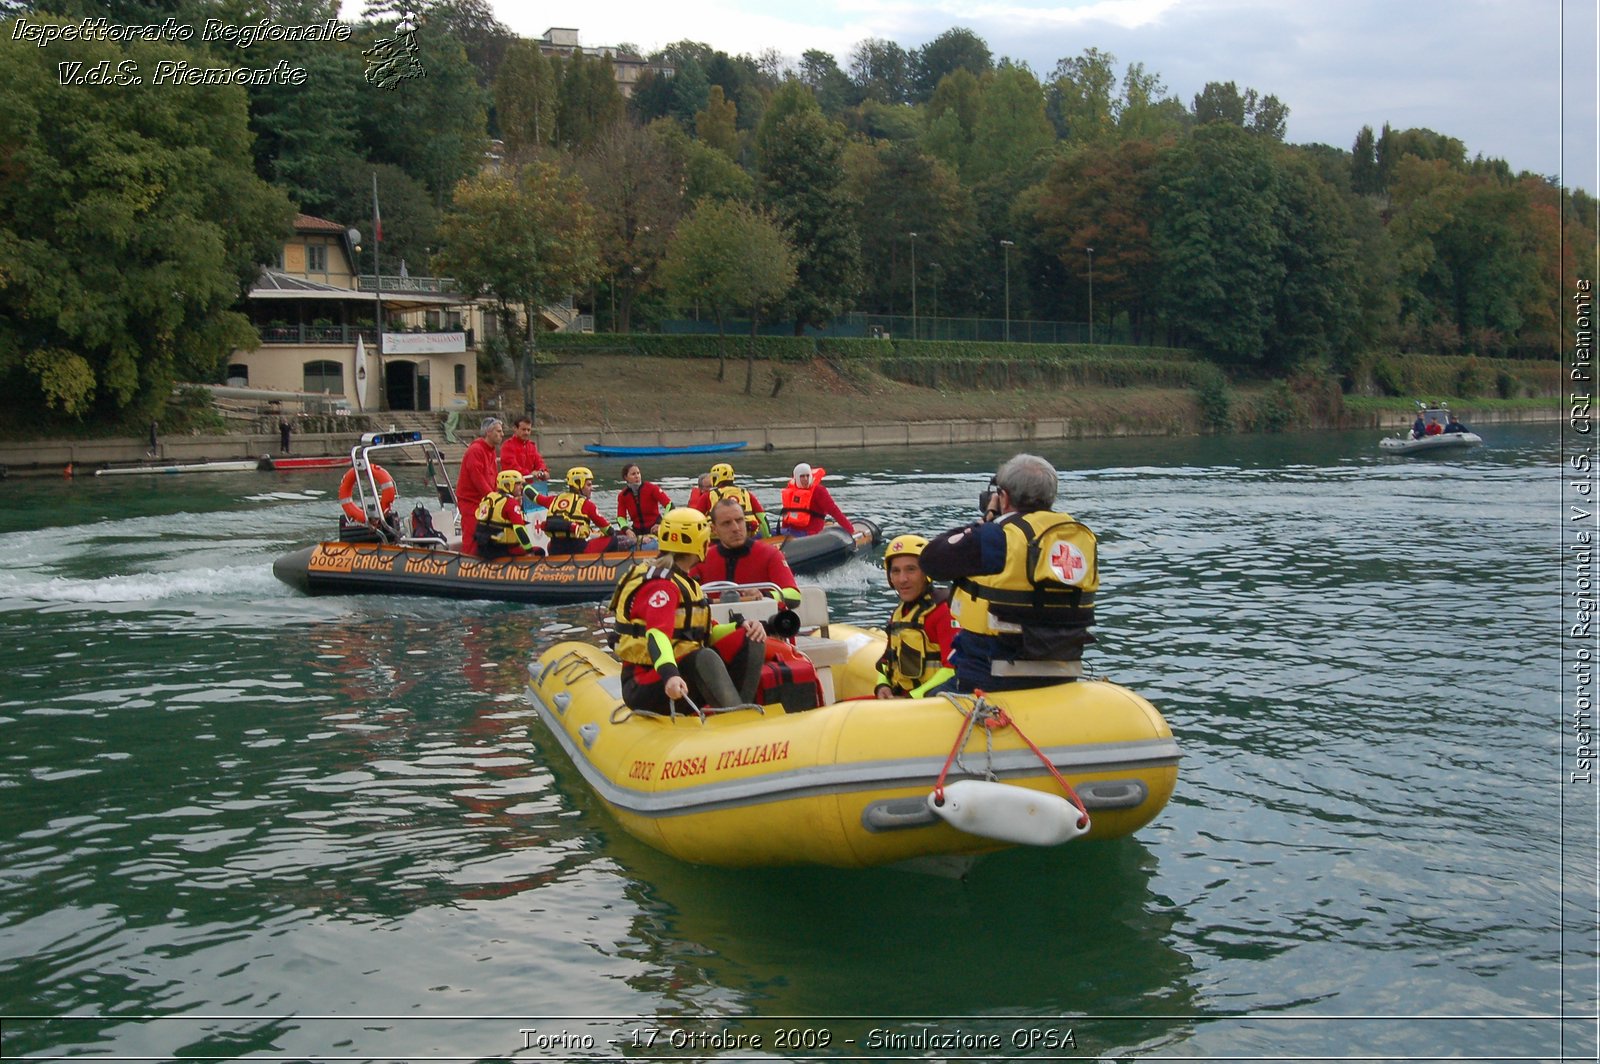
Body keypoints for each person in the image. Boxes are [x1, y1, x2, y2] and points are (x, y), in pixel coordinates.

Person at [920, 453, 1099, 693]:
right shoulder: (1080, 536)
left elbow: (932, 560)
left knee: (928, 699)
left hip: (993, 671)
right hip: (1062, 669)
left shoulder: (998, 536)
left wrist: (988, 520)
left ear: (1003, 497)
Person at [609, 507, 767, 714]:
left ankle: (740, 710)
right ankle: (736, 717)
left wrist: (741, 627)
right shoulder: (663, 586)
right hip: (647, 681)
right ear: (697, 544)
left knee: (750, 637)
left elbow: (700, 634)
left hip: (677, 671)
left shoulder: (683, 580)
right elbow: (657, 634)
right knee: (704, 657)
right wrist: (670, 674)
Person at [873, 535, 957, 699]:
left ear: (927, 573)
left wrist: (912, 698)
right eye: (896, 571)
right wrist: (882, 684)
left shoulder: (943, 610)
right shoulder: (900, 613)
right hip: (904, 699)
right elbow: (887, 660)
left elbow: (954, 668)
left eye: (911, 569)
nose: (902, 579)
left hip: (930, 704)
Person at [690, 497, 801, 606]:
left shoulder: (770, 554)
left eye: (739, 520)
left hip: (762, 620)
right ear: (714, 529)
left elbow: (794, 595)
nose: (736, 528)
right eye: (727, 523)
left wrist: (765, 595)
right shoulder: (702, 559)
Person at [539, 465, 616, 555]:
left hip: (555, 550)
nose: (592, 488)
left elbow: (532, 495)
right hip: (579, 550)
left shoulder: (553, 500)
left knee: (550, 544)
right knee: (613, 539)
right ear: (578, 483)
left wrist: (523, 482)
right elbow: (608, 530)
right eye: (589, 485)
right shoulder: (587, 505)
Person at [456, 417, 503, 557]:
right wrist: (494, 498)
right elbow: (478, 479)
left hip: (485, 502)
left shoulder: (491, 451)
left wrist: (498, 496)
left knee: (486, 536)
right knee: (472, 537)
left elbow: (493, 477)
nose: (502, 434)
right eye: (498, 431)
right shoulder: (476, 451)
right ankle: (468, 564)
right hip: (471, 502)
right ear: (488, 432)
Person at [778, 463, 856, 538]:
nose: (805, 479)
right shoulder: (792, 490)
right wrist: (781, 534)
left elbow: (834, 511)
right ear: (796, 477)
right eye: (802, 476)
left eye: (808, 476)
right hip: (791, 531)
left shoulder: (819, 491)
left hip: (810, 532)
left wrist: (850, 530)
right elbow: (787, 514)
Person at [474, 470, 535, 559]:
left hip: (484, 548)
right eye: (518, 484)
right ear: (507, 485)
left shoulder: (488, 498)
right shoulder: (510, 503)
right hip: (505, 550)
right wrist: (530, 550)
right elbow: (519, 529)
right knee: (539, 551)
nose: (521, 487)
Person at [706, 462, 768, 536]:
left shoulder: (708, 495)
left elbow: (695, 517)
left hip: (719, 539)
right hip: (746, 534)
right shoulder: (745, 493)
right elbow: (762, 518)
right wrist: (767, 537)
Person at [616, 462, 672, 535]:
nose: (637, 476)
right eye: (633, 474)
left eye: (638, 473)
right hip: (637, 530)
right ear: (626, 477)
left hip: (655, 528)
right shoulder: (623, 495)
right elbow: (621, 517)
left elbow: (669, 505)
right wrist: (626, 530)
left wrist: (662, 524)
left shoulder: (652, 488)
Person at [500, 415, 549, 482]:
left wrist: (543, 471)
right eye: (523, 429)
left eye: (528, 430)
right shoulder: (507, 446)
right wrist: (530, 474)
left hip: (529, 485)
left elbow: (539, 461)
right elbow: (512, 467)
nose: (526, 432)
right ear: (515, 428)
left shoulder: (532, 446)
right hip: (513, 486)